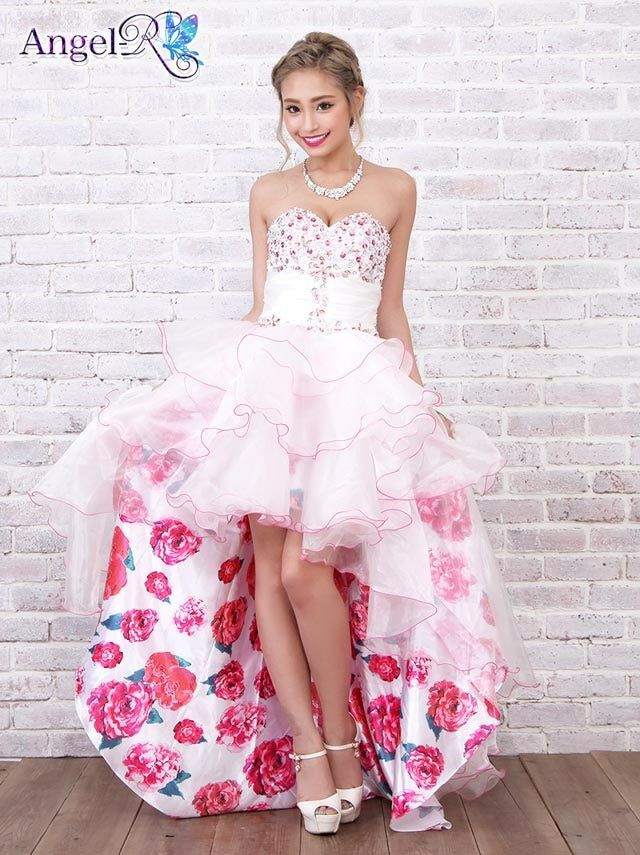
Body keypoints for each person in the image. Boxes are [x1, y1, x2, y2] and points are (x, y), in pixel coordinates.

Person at [28, 31, 539, 837]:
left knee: (309, 569)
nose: (308, 122)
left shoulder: (397, 189)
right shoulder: (268, 191)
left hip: (355, 389)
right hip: (273, 385)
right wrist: (192, 391)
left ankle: (341, 736)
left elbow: (391, 307)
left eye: (322, 104)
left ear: (356, 100)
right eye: (293, 108)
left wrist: (417, 393)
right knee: (271, 567)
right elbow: (262, 302)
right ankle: (310, 749)